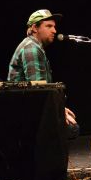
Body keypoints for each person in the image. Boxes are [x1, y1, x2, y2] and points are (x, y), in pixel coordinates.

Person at [8, 9, 79, 138]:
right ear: (35, 28)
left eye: (54, 27)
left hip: (30, 109)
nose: (54, 31)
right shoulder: (31, 48)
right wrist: (58, 110)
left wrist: (59, 107)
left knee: (71, 126)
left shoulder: (36, 47)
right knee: (72, 129)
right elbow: (38, 91)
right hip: (24, 113)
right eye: (49, 26)